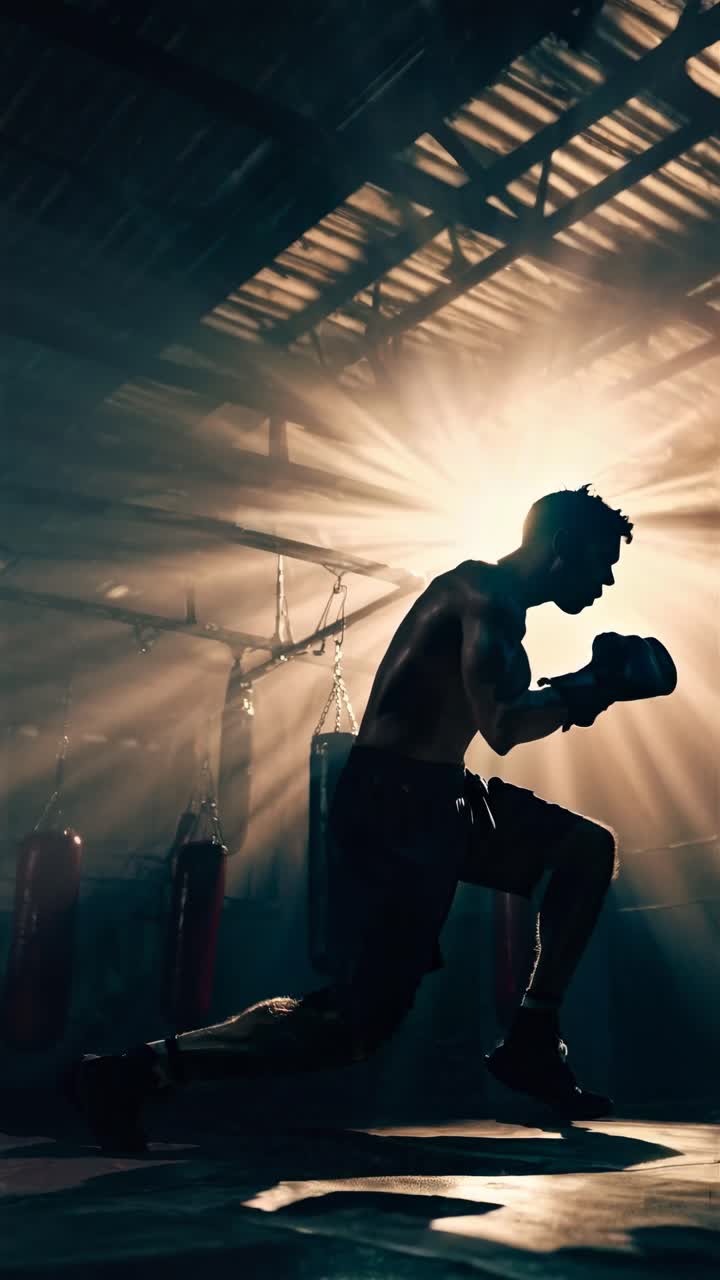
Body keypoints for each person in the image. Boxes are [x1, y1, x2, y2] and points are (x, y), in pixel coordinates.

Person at [66, 485, 677, 1153]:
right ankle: (135, 1071)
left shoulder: (500, 608)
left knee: (587, 850)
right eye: (601, 559)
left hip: (444, 794)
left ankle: (532, 1036)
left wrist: (587, 689)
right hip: (392, 806)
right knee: (354, 1027)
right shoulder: (482, 595)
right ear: (562, 545)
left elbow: (498, 718)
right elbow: (503, 724)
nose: (607, 578)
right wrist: (593, 685)